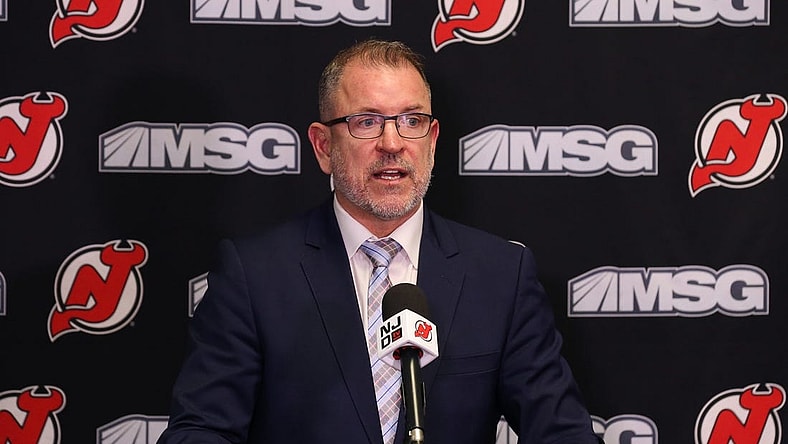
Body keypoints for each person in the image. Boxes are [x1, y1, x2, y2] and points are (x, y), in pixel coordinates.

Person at [158, 38, 602, 444]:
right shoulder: (254, 276)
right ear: (322, 146)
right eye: (366, 122)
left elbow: (562, 433)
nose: (392, 143)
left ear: (432, 141)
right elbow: (202, 431)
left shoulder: (501, 274)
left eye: (412, 121)